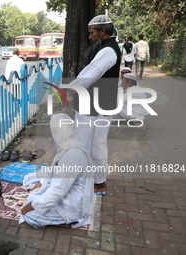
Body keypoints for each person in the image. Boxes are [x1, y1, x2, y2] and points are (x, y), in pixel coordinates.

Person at [69, 15, 121, 192]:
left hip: (95, 105)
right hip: (99, 103)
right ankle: (95, 180)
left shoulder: (108, 50)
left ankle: (94, 181)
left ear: (103, 31)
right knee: (94, 142)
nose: (90, 37)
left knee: (87, 141)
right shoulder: (108, 48)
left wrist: (76, 86)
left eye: (92, 33)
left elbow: (93, 70)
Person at [20, 113, 94, 229]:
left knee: (29, 215)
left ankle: (68, 219)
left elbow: (59, 190)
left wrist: (35, 205)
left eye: (54, 132)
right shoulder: (70, 146)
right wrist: (43, 182)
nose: (53, 137)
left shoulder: (73, 156)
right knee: (34, 196)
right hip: (66, 198)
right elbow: (57, 171)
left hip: (70, 208)